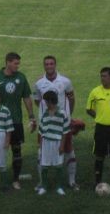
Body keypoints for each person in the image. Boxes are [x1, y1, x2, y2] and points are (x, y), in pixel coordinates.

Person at [0, 52, 37, 189]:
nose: (17, 66)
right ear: (8, 62)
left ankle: (15, 179)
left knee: (16, 149)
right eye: (15, 63)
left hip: (15, 120)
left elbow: (26, 97)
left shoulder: (21, 77)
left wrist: (31, 116)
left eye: (18, 63)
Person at [33, 55, 79, 190]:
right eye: (46, 64)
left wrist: (68, 116)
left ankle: (71, 181)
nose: (49, 66)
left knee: (69, 152)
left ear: (55, 65)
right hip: (45, 124)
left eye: (51, 64)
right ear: (44, 66)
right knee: (41, 153)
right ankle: (42, 182)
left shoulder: (65, 81)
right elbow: (37, 100)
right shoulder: (39, 83)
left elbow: (71, 98)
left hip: (62, 123)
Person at [37, 91, 70, 196]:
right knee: (44, 165)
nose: (45, 103)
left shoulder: (62, 113)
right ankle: (44, 186)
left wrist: (62, 145)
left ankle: (59, 187)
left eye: (46, 101)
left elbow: (65, 131)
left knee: (58, 165)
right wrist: (40, 145)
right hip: (46, 142)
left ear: (51, 101)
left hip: (57, 142)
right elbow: (41, 130)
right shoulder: (45, 113)